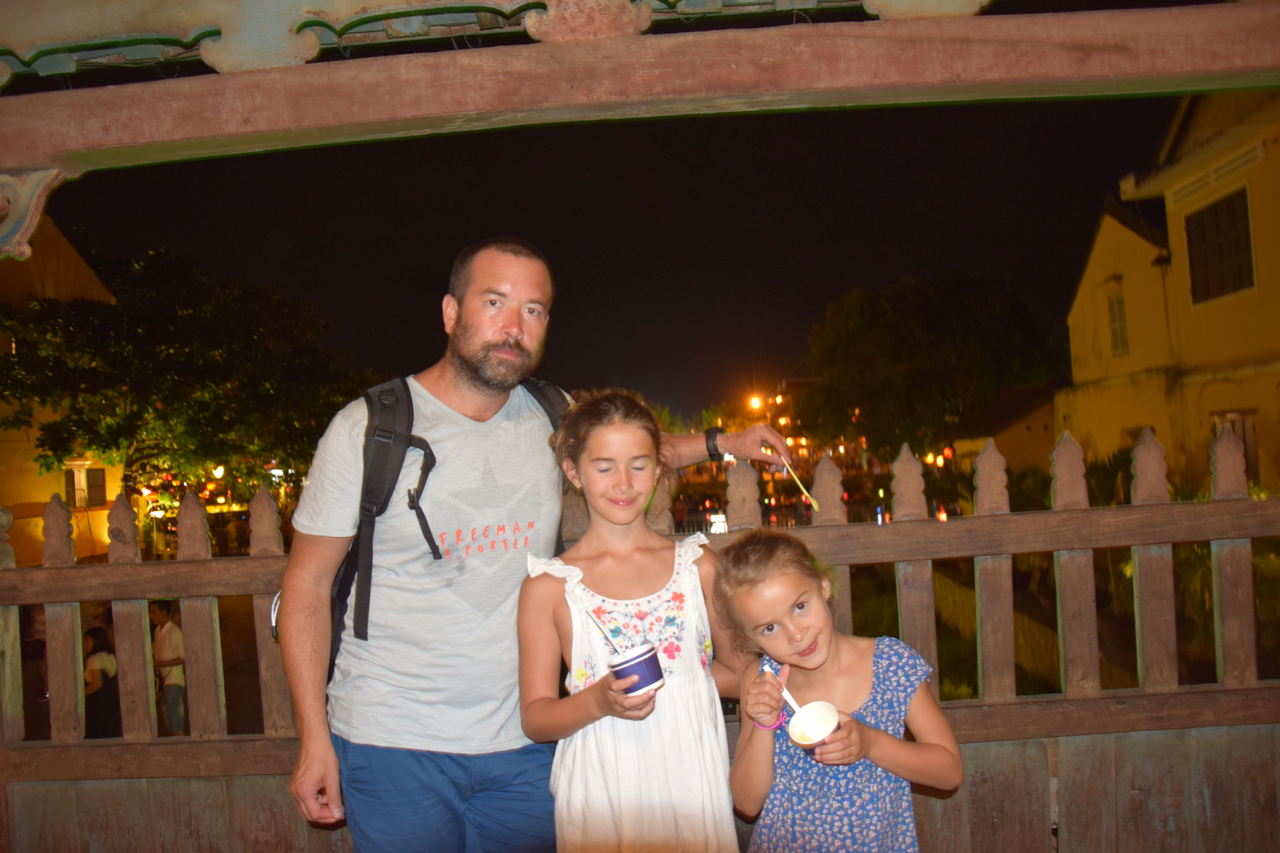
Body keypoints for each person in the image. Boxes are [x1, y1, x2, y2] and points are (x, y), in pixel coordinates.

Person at [279, 237, 789, 853]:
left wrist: (725, 441)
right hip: (392, 738)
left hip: (526, 743)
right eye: (494, 302)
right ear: (450, 312)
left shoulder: (551, 414)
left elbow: (629, 449)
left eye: (534, 310)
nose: (513, 327)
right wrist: (313, 737)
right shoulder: (369, 428)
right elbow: (306, 584)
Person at [519, 390, 744, 852]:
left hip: (692, 785)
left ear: (658, 469)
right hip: (602, 791)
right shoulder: (549, 587)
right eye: (604, 467)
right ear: (573, 472)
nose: (623, 483)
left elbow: (741, 673)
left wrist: (689, 678)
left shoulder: (698, 566)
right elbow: (536, 718)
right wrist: (598, 700)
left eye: (638, 466)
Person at [715, 530, 963, 853]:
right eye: (769, 628)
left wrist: (870, 743)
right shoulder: (763, 680)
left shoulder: (890, 665)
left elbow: (949, 771)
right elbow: (747, 804)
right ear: (751, 639)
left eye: (800, 606)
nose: (796, 634)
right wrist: (765, 724)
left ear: (823, 586)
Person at [149, 600, 186, 736]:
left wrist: (160, 664)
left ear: (163, 613)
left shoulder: (174, 632)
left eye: (153, 612)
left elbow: (183, 657)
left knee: (175, 722)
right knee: (169, 720)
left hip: (173, 682)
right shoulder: (158, 630)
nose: (150, 615)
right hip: (163, 682)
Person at [83, 626, 122, 739]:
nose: (86, 644)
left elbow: (97, 684)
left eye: (88, 640)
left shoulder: (94, 659)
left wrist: (79, 695)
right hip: (112, 703)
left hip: (97, 705)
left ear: (95, 640)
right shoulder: (111, 656)